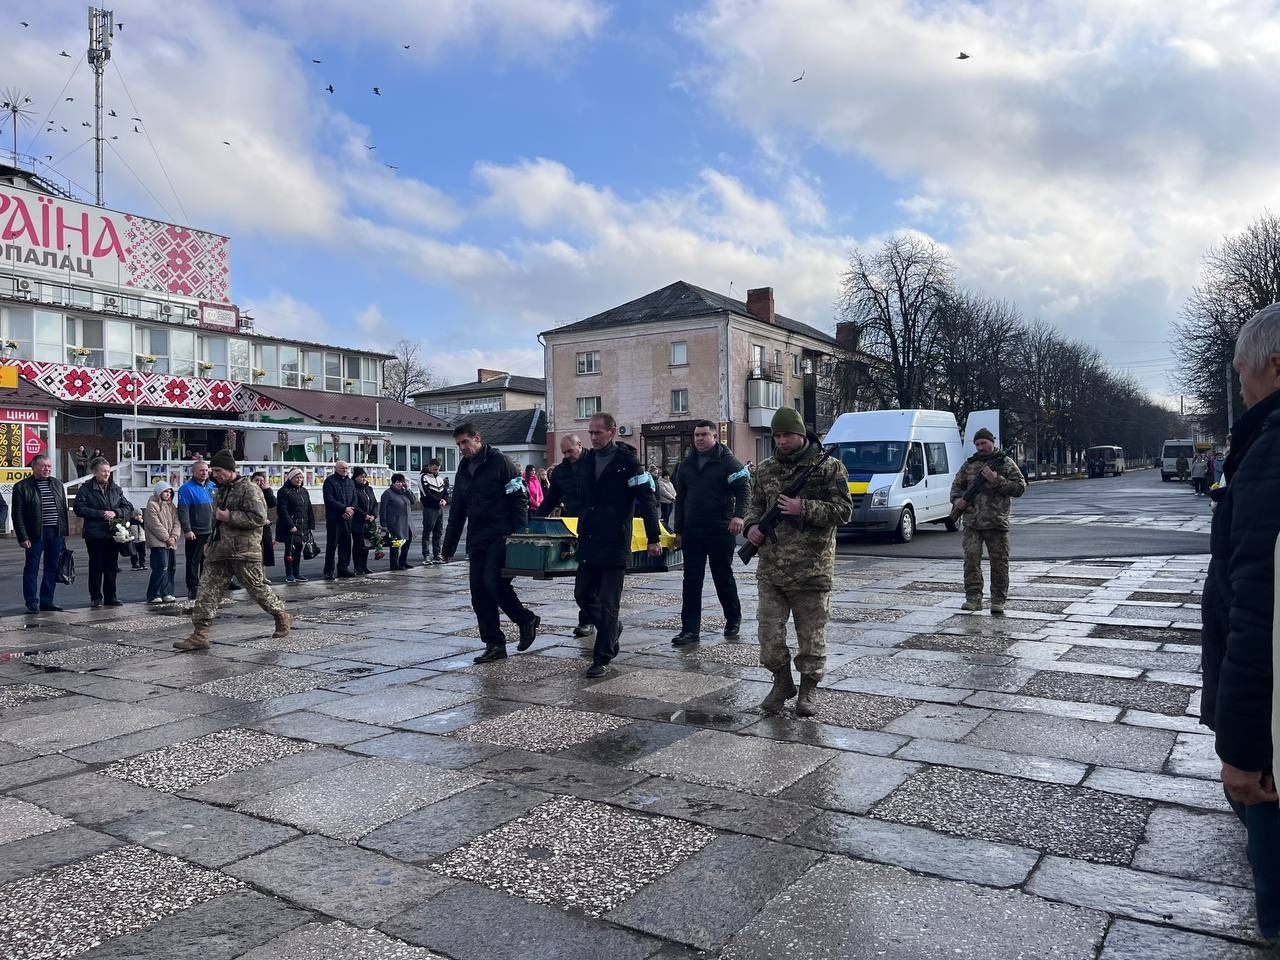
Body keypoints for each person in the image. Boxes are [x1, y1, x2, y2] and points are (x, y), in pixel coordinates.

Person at [1200, 303, 1280, 948]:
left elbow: (1259, 609)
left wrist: (1244, 747)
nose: (1241, 386)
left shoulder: (1271, 449)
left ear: (1273, 365)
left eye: (1241, 372)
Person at [744, 406, 852, 717]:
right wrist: (752, 528)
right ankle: (781, 682)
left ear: (801, 434)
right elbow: (755, 506)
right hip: (772, 569)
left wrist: (802, 507)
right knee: (769, 635)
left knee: (811, 636)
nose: (781, 441)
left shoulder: (829, 468)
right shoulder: (764, 470)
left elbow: (844, 511)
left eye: (787, 435)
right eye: (776, 436)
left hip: (812, 568)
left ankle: (808, 689)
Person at [174, 450, 291, 651]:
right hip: (219, 551)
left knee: (257, 590)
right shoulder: (220, 490)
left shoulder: (250, 489)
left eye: (218, 470)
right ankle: (200, 634)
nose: (214, 474)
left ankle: (281, 615)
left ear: (230, 470)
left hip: (244, 552)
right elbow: (216, 519)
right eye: (213, 470)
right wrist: (210, 540)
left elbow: (259, 519)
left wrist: (231, 517)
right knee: (207, 591)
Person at [442, 422, 539, 663]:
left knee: (493, 582)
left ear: (477, 438)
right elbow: (457, 512)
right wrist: (449, 546)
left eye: (465, 442)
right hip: (477, 538)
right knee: (478, 592)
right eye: (458, 444)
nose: (462, 448)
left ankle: (525, 619)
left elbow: (519, 500)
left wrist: (518, 536)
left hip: (501, 534)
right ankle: (494, 643)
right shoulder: (464, 469)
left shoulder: (500, 462)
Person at [576, 412, 661, 678]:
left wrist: (653, 537)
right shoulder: (587, 460)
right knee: (582, 595)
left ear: (611, 432)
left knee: (609, 601)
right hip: (589, 538)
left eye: (597, 432)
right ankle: (612, 629)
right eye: (590, 432)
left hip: (615, 539)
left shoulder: (628, 461)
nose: (593, 437)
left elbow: (647, 500)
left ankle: (602, 657)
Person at [670, 420, 750, 646]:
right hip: (693, 531)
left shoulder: (728, 462)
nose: (700, 439)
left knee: (722, 577)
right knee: (691, 581)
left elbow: (744, 489)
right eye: (697, 435)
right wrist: (678, 530)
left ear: (715, 437)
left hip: (720, 529)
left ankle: (733, 618)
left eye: (705, 434)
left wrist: (738, 516)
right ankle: (690, 630)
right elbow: (681, 499)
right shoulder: (686, 465)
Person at [950, 427, 1028, 615]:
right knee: (970, 561)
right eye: (977, 444)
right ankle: (973, 599)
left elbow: (1020, 488)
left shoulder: (1006, 463)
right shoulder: (969, 465)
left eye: (983, 443)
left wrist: (996, 479)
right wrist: (957, 501)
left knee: (999, 563)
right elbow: (956, 487)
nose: (980, 447)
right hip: (972, 523)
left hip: (996, 523)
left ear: (992, 442)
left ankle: (998, 601)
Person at [537, 433, 594, 638]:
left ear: (580, 445)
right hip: (577, 527)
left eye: (570, 451)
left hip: (599, 525)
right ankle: (590, 619)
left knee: (597, 580)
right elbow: (551, 499)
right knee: (584, 579)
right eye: (564, 452)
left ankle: (599, 619)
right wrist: (537, 520)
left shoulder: (596, 462)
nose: (567, 455)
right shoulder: (561, 472)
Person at [73, 456, 140, 609]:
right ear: (95, 472)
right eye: (103, 471)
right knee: (96, 565)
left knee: (111, 566)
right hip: (95, 534)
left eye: (108, 471)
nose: (107, 474)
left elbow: (127, 507)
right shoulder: (86, 488)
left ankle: (111, 596)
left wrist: (115, 512)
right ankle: (96, 597)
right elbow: (79, 508)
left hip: (113, 533)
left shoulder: (116, 488)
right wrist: (101, 514)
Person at [13, 453, 68, 613]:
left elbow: (62, 510)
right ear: (34, 467)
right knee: (32, 568)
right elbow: (17, 515)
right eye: (43, 466)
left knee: (52, 567)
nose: (47, 469)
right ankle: (31, 601)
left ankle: (47, 600)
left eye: (49, 466)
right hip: (35, 534)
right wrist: (22, 536)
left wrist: (63, 533)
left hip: (56, 533)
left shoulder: (57, 484)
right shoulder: (22, 487)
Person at [177, 459, 216, 602]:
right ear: (193, 472)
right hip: (196, 531)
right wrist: (187, 529)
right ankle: (193, 587)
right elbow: (183, 511)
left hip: (211, 530)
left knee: (209, 560)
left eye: (206, 470)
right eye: (201, 470)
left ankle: (206, 585)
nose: (205, 473)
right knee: (193, 560)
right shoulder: (186, 489)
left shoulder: (213, 486)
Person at [143, 481, 180, 604]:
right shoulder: (152, 505)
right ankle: (154, 593)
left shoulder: (171, 506)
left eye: (170, 492)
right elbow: (154, 524)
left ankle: (168, 592)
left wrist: (174, 537)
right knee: (160, 568)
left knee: (171, 568)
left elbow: (177, 522)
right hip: (159, 543)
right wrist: (167, 538)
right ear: (159, 492)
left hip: (171, 543)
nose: (168, 494)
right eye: (165, 491)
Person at [277, 467, 314, 583]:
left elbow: (309, 508)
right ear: (291, 478)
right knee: (290, 550)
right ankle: (289, 574)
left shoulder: (304, 491)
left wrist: (310, 525)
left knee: (298, 550)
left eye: (301, 477)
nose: (299, 479)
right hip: (290, 527)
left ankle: (297, 573)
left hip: (303, 526)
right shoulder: (284, 491)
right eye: (297, 477)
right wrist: (291, 525)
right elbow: (282, 511)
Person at [322, 460, 357, 579]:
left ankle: (343, 568)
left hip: (347, 518)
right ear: (336, 469)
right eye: (343, 468)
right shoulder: (330, 481)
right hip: (334, 518)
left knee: (346, 545)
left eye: (347, 468)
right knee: (332, 545)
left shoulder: (350, 482)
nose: (345, 470)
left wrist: (351, 509)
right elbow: (329, 499)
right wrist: (344, 509)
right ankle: (329, 570)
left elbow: (354, 498)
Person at [380, 472, 416, 570]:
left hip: (407, 523)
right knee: (396, 544)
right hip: (395, 523)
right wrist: (384, 524)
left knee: (406, 543)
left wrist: (408, 489)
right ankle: (394, 563)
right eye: (397, 482)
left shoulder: (404, 492)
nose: (400, 484)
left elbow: (413, 501)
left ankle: (403, 561)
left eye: (401, 482)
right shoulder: (388, 493)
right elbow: (382, 509)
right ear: (393, 483)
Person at [419, 458, 449, 564]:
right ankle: (426, 555)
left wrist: (444, 500)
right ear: (429, 466)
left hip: (439, 508)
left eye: (438, 469)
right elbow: (426, 494)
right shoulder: (423, 478)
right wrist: (438, 501)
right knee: (427, 532)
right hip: (429, 508)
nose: (436, 471)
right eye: (434, 469)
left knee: (438, 532)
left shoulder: (440, 479)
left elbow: (445, 491)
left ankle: (437, 555)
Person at [350, 466, 379, 575]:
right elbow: (354, 505)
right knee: (358, 544)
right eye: (361, 477)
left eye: (365, 477)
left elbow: (375, 503)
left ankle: (364, 566)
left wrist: (373, 515)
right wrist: (364, 515)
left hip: (370, 522)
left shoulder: (369, 489)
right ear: (356, 477)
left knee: (366, 545)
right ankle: (357, 566)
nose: (363, 479)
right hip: (358, 521)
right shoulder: (353, 489)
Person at [251, 471, 277, 579]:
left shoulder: (265, 492)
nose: (259, 483)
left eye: (262, 480)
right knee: (254, 554)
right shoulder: (249, 492)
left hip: (264, 527)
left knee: (264, 553)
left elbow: (273, 503)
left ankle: (263, 576)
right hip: (252, 527)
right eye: (257, 480)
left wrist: (267, 490)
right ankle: (255, 577)